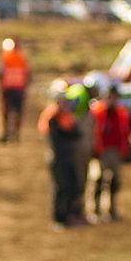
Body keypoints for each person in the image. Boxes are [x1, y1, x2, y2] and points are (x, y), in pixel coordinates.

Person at [40, 78, 85, 226]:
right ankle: (60, 218)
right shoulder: (52, 116)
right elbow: (59, 135)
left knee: (73, 186)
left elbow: (77, 133)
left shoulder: (67, 115)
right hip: (58, 157)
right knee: (61, 188)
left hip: (69, 156)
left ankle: (71, 215)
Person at [88, 77, 131, 220]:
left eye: (114, 97)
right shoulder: (98, 112)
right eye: (110, 97)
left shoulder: (122, 113)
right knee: (98, 179)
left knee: (115, 181)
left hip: (116, 150)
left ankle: (111, 209)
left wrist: (125, 149)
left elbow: (126, 132)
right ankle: (95, 209)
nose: (112, 100)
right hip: (102, 150)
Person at [0, 37, 31, 141]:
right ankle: (16, 135)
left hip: (8, 89)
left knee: (7, 113)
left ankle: (7, 134)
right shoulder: (22, 57)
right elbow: (28, 73)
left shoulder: (5, 57)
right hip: (19, 89)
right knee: (17, 113)